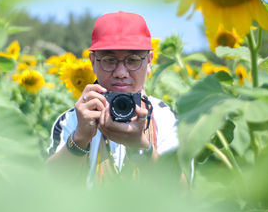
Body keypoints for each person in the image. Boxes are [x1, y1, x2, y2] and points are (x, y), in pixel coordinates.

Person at [47, 11, 179, 185]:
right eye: (109, 60)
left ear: (149, 62)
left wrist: (141, 147)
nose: (121, 73)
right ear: (93, 62)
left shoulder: (166, 118)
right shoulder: (73, 119)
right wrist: (80, 137)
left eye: (133, 60)